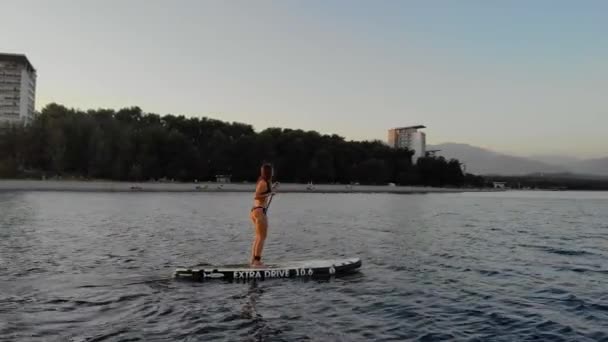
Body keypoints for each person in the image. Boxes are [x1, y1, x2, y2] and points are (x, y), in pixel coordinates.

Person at [249, 163, 277, 267]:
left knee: (258, 237)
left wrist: (272, 189)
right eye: (272, 170)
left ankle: (253, 260)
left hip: (257, 211)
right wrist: (270, 193)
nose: (273, 172)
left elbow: (264, 193)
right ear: (268, 171)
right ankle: (257, 261)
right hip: (259, 211)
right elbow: (256, 196)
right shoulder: (263, 182)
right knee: (262, 237)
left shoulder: (266, 182)